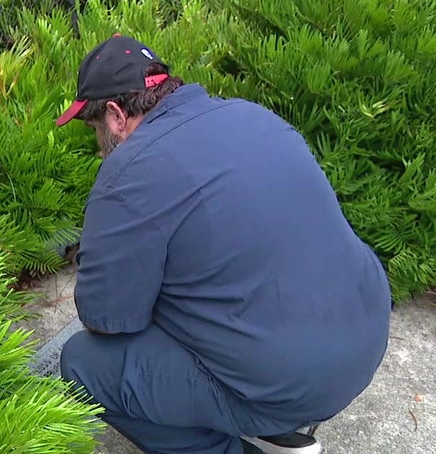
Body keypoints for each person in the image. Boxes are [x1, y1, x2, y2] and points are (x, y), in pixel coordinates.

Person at [54, 34, 392, 454]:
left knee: (84, 363)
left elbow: (106, 318)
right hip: (365, 337)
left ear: (116, 115)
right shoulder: (251, 115)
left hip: (293, 380)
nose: (98, 143)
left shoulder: (131, 168)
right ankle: (278, 431)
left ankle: (246, 435)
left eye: (94, 128)